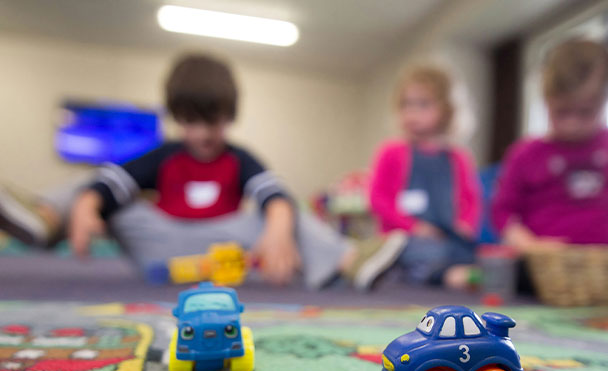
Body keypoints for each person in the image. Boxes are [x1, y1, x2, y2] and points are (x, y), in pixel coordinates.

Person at [0, 54, 403, 290]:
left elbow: (273, 197)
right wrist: (88, 205)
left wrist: (278, 230)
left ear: (230, 116)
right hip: (159, 243)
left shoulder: (239, 157)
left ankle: (350, 260)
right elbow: (110, 183)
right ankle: (46, 219)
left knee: (286, 210)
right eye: (191, 121)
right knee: (92, 185)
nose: (204, 133)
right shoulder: (166, 153)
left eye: (214, 121)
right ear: (177, 117)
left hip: (222, 247)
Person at [492, 39, 608, 255]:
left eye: (585, 112)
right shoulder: (524, 154)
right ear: (546, 101)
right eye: (561, 112)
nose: (572, 124)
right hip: (543, 268)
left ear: (605, 101)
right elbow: (503, 213)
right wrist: (530, 247)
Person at [368, 65, 482, 289]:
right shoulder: (392, 152)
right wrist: (414, 228)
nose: (412, 113)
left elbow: (471, 200)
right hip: (403, 238)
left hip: (445, 236)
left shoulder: (458, 158)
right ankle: (438, 274)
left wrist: (465, 225)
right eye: (406, 104)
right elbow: (378, 200)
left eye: (423, 104)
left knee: (469, 251)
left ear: (446, 110)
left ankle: (438, 271)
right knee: (412, 250)